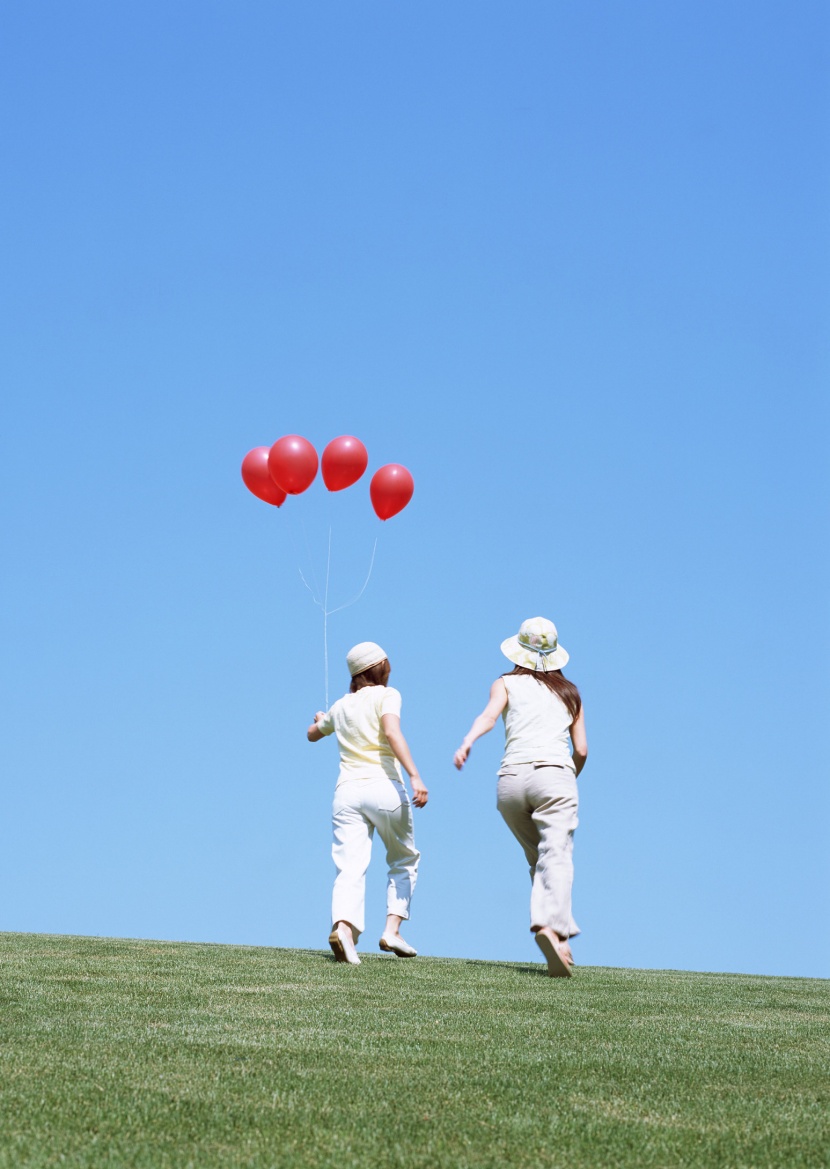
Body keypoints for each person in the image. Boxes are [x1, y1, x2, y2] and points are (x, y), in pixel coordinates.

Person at [454, 617, 588, 977]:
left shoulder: (505, 683)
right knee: (556, 855)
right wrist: (565, 778)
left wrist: (467, 742)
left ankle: (560, 941)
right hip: (554, 776)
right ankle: (552, 927)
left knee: (539, 859)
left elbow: (488, 716)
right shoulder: (570, 694)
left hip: (510, 783)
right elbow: (582, 750)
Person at [308, 641, 428, 966]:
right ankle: (392, 930)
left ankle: (344, 929)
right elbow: (392, 732)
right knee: (404, 858)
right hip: (384, 787)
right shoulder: (388, 695)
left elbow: (312, 734)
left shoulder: (341, 705)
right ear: (380, 669)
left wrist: (323, 719)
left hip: (346, 793)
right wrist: (415, 776)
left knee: (349, 867)